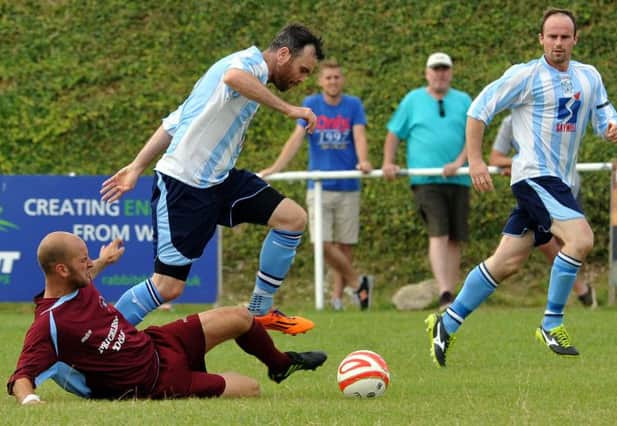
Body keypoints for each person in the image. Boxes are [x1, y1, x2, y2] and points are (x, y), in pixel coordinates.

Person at [426, 8, 617, 367]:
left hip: (562, 181)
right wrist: (477, 160)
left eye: (565, 37)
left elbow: (603, 110)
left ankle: (447, 322)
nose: (558, 43)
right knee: (580, 239)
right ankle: (551, 323)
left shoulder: (589, 76)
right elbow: (478, 109)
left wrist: (612, 125)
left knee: (507, 261)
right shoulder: (526, 75)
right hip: (534, 176)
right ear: (541, 40)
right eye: (552, 36)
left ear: (576, 39)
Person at [100, 24, 325, 335]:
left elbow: (176, 120)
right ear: (283, 54)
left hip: (220, 180)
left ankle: (259, 312)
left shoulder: (237, 69)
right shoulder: (246, 67)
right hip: (184, 183)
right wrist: (289, 109)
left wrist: (137, 165)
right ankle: (98, 340)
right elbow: (234, 79)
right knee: (168, 287)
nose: (302, 79)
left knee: (292, 219)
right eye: (303, 70)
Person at [8, 232, 327, 404]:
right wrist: (31, 402)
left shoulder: (76, 282)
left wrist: (104, 260)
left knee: (241, 316)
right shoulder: (49, 325)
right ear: (62, 270)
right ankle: (204, 377)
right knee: (251, 389)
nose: (89, 264)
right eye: (83, 260)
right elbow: (21, 376)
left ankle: (281, 365)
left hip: (159, 342)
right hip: (155, 382)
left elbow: (87, 275)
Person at [260, 60, 373, 311]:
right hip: (319, 184)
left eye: (336, 77)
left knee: (345, 245)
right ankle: (357, 282)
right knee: (320, 243)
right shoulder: (312, 105)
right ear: (321, 81)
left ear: (341, 80)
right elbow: (297, 137)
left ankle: (338, 299)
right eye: (328, 77)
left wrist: (363, 160)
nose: (332, 81)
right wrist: (276, 168)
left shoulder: (353, 105)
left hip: (347, 184)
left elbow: (359, 135)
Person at [382, 52, 472, 310]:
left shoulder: (463, 100)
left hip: (459, 179)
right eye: (436, 69)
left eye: (444, 69)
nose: (440, 74)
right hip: (426, 179)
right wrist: (389, 161)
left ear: (451, 72)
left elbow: (472, 134)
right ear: (427, 72)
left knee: (455, 236)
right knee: (439, 231)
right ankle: (444, 291)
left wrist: (459, 162)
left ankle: (451, 294)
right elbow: (393, 133)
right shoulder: (413, 100)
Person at [490, 114, 597, 308]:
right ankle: (579, 293)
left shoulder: (553, 115)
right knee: (542, 246)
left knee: (574, 243)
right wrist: (518, 165)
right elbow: (495, 158)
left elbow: (556, 156)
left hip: (565, 189)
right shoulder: (509, 122)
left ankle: (576, 296)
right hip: (535, 192)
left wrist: (518, 165)